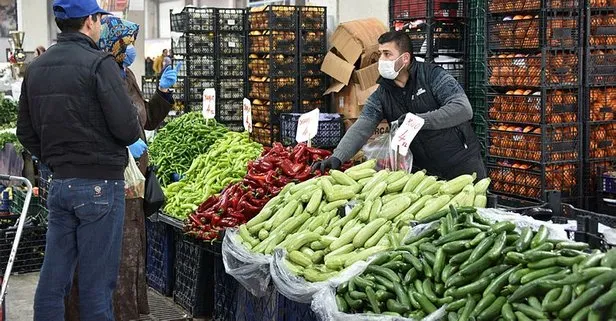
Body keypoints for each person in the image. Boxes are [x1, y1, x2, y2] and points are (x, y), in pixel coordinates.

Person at [16, 0, 142, 320]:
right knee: (96, 287)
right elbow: (128, 129)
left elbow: (25, 132)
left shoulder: (36, 68)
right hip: (101, 186)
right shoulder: (100, 64)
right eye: (99, 19)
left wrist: (55, 160)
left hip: (59, 185)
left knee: (53, 282)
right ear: (90, 21)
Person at [64, 16, 179, 321]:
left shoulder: (126, 76)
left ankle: (127, 312)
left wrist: (163, 94)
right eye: (127, 44)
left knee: (130, 254)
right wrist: (122, 145)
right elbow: (88, 126)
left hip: (133, 181)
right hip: (110, 179)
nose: (131, 51)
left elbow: (145, 121)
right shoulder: (96, 77)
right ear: (111, 44)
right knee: (114, 257)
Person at [314, 31, 486, 180]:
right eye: (380, 54)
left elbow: (462, 109)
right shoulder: (382, 94)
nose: (381, 60)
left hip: (462, 164)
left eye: (387, 54)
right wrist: (338, 156)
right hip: (424, 174)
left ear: (405, 58)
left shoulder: (432, 76)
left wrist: (418, 121)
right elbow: (362, 127)